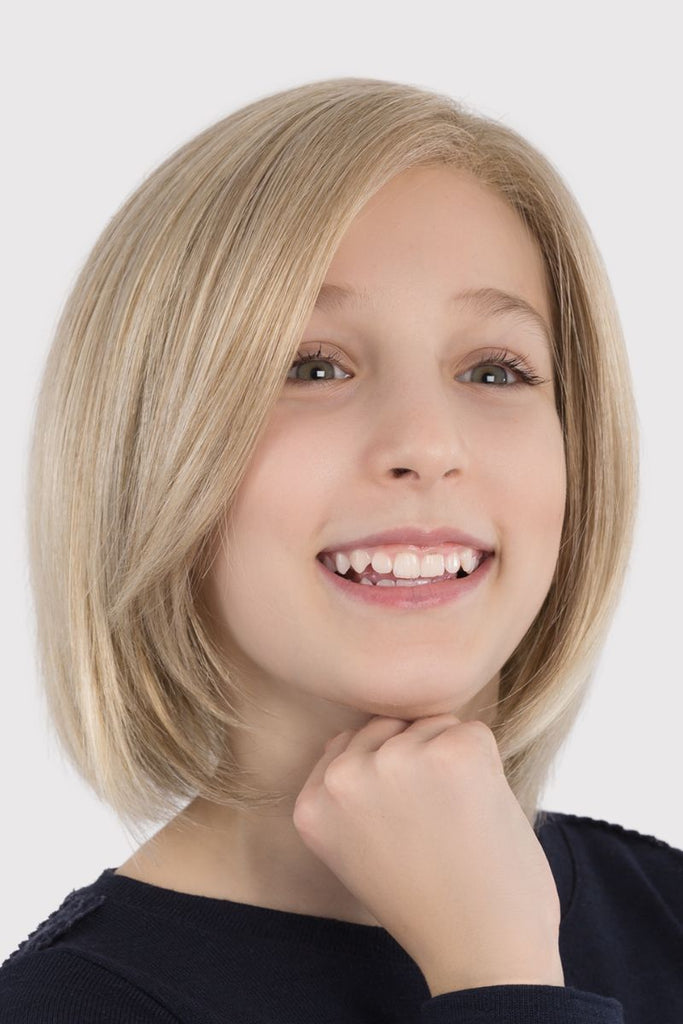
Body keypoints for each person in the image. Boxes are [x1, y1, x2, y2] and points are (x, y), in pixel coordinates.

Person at [1, 77, 680, 1023]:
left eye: (495, 369)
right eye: (313, 367)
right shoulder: (72, 1006)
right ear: (155, 450)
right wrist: (497, 975)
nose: (426, 444)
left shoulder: (664, 908)